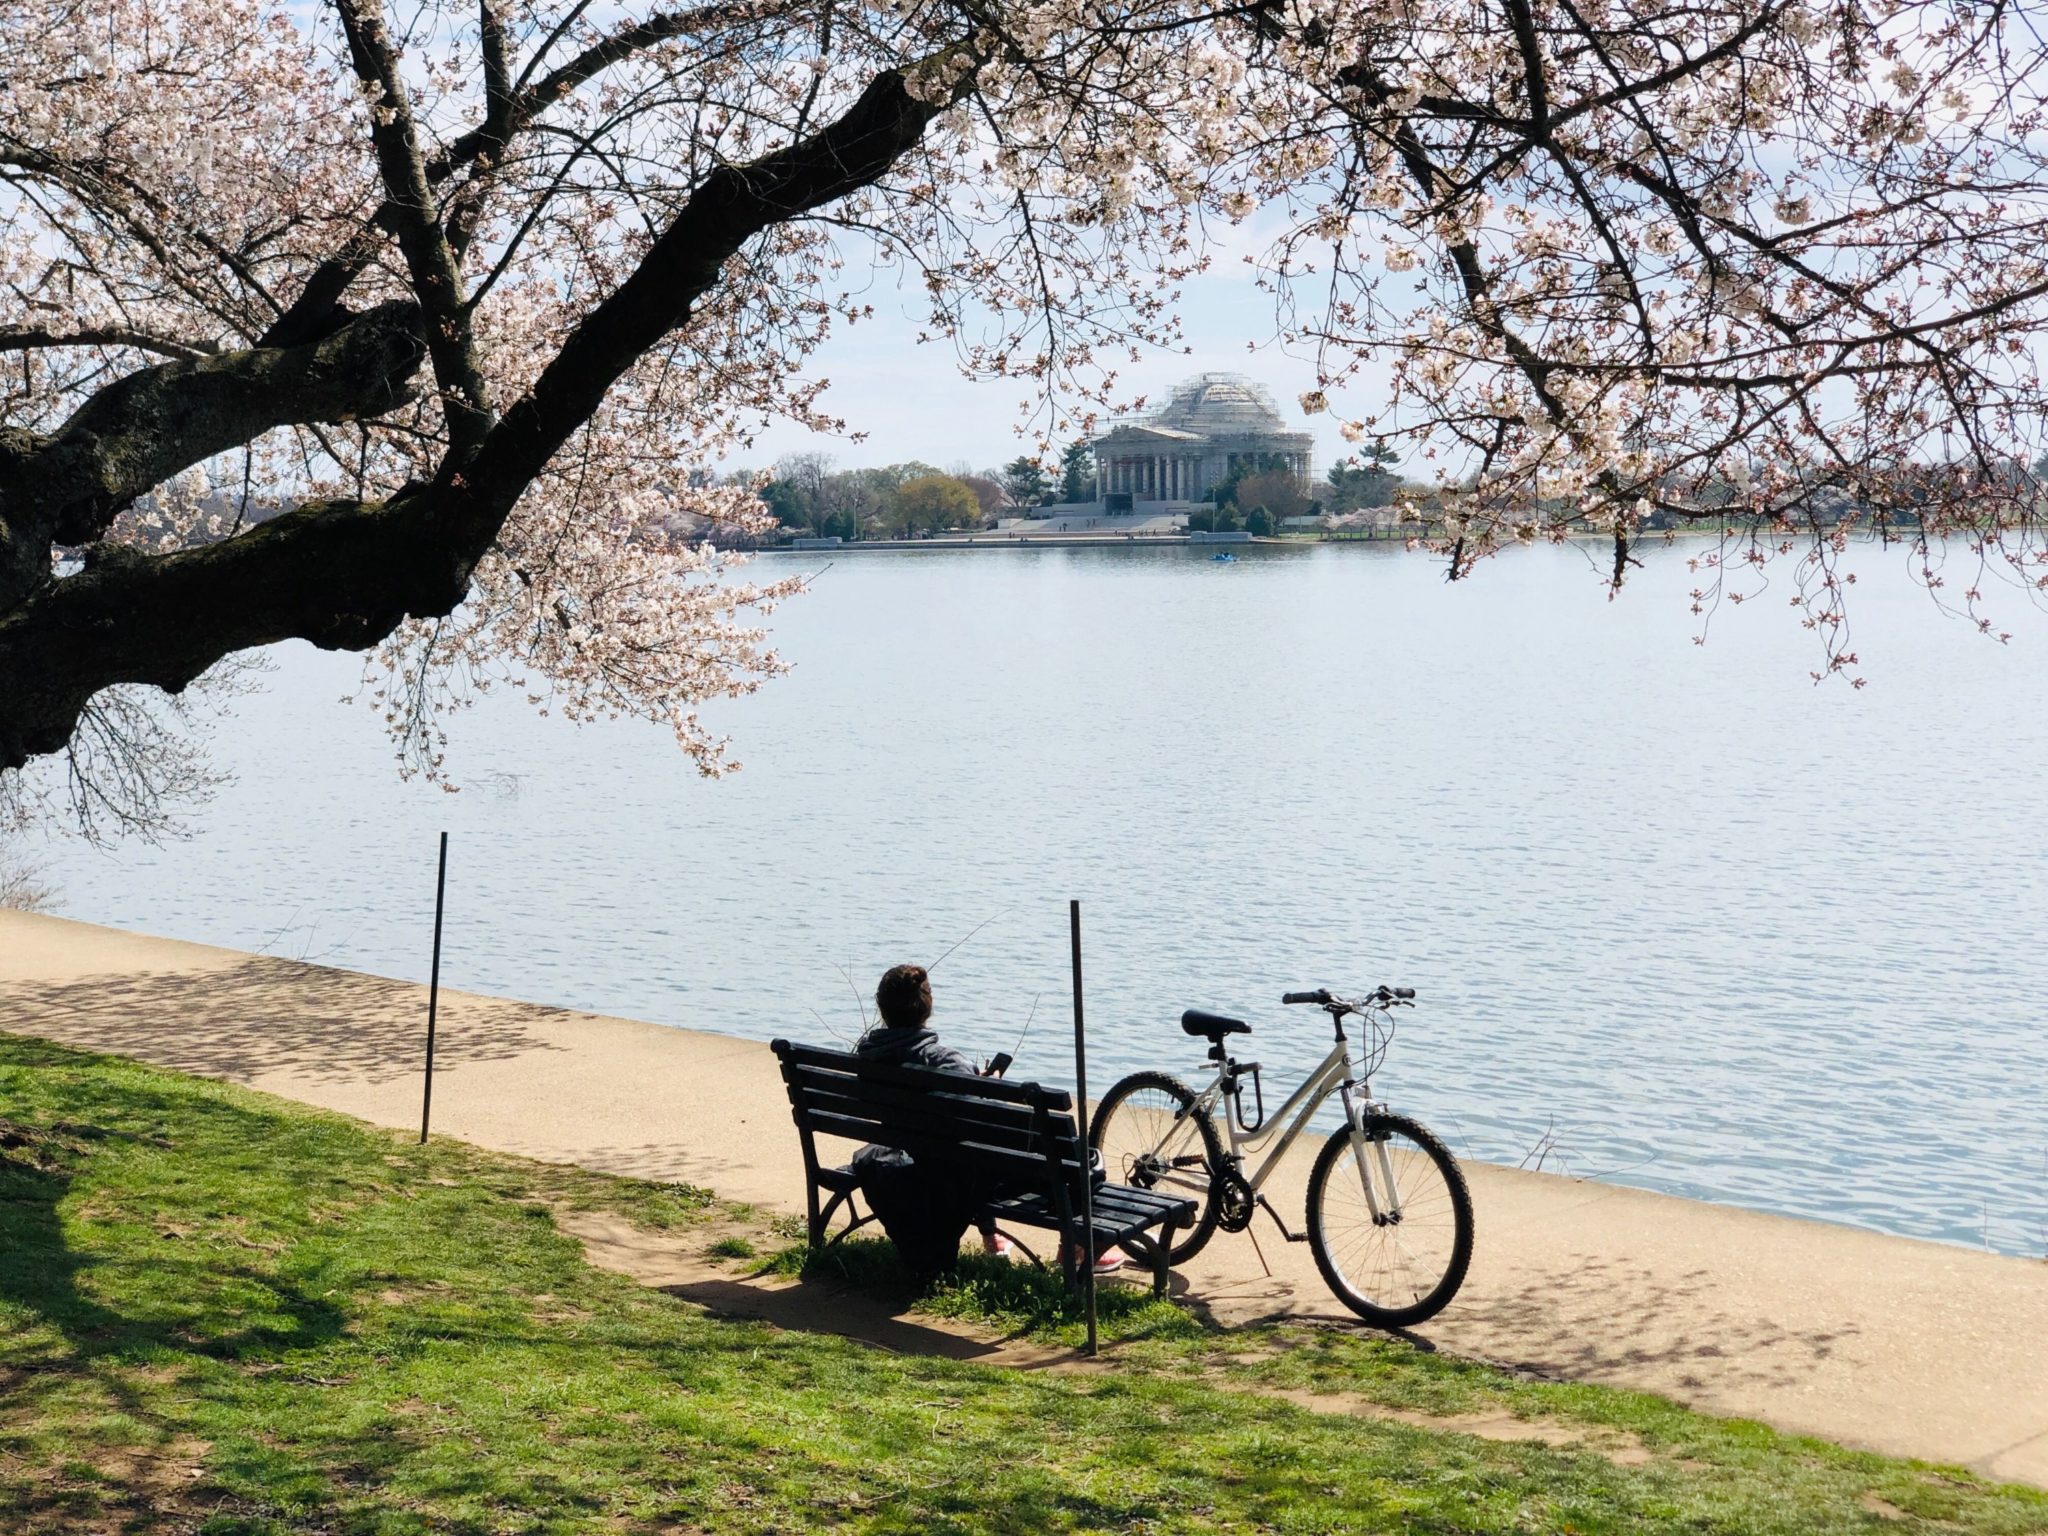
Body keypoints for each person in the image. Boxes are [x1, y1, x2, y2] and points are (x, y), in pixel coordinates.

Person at [856, 964, 1122, 1274]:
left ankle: (992, 1237)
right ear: (927, 1006)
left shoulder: (868, 1056)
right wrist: (988, 1086)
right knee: (1082, 1162)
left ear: (881, 1006)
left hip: (912, 1150)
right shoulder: (945, 1060)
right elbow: (973, 1122)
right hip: (957, 1170)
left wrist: (976, 1087)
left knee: (969, 1149)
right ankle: (1075, 1248)